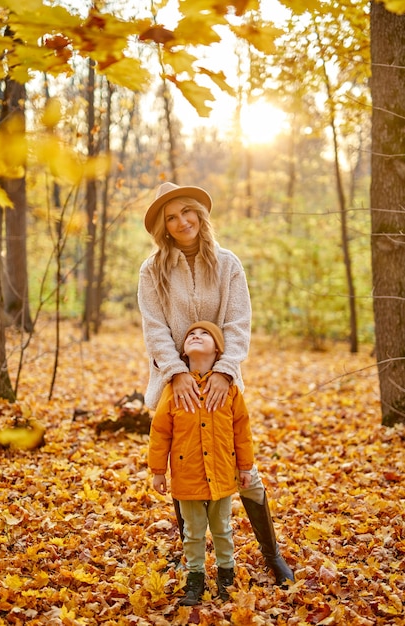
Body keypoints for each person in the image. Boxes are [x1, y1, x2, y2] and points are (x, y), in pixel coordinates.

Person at [138, 181, 294, 587]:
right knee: (184, 463)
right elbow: (154, 330)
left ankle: (271, 554)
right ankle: (192, 560)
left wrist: (225, 370)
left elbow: (238, 323)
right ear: (164, 228)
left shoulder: (228, 264)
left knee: (246, 474)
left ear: (200, 214)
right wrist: (178, 373)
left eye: (186, 211)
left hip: (223, 381)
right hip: (176, 381)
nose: (181, 221)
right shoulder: (152, 270)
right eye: (171, 218)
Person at [148, 321, 255, 605]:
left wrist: (244, 467)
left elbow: (241, 431)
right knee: (192, 531)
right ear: (183, 350)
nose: (196, 335)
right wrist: (158, 471)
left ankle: (226, 575)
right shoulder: (174, 389)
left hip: (221, 473)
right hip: (187, 474)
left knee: (222, 528)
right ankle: (195, 578)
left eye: (204, 334)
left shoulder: (229, 391)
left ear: (218, 348)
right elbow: (160, 431)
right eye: (191, 334)